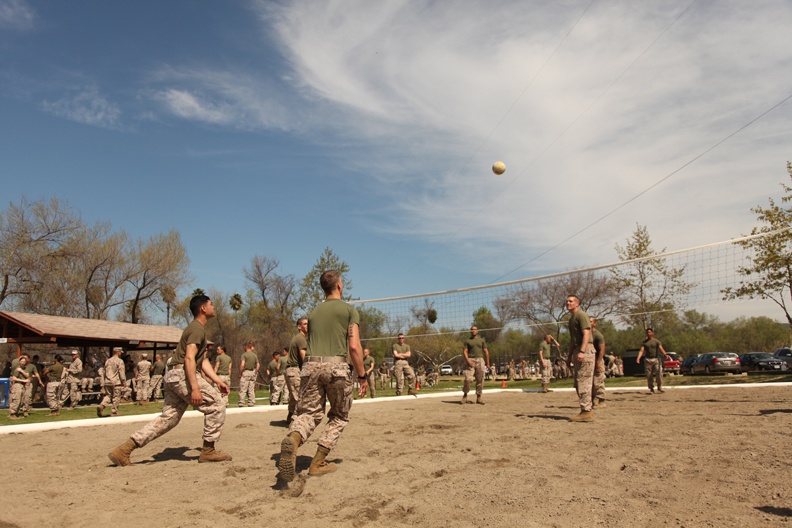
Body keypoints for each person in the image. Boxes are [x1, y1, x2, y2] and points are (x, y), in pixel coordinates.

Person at [108, 294, 231, 466]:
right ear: (203, 308)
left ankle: (124, 449)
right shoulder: (197, 329)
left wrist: (218, 381)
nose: (214, 307)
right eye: (211, 304)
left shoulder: (196, 329)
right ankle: (208, 450)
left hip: (174, 374)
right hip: (182, 374)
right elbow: (189, 359)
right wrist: (195, 388)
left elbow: (201, 361)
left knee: (169, 418)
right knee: (217, 404)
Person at [277, 270, 368, 482]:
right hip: (336, 367)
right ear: (339, 285)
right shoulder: (348, 310)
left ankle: (293, 438)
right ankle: (317, 462)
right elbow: (354, 347)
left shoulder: (313, 313)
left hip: (309, 367)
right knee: (339, 416)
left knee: (308, 413)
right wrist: (362, 376)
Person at [566, 295, 595, 422]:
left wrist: (583, 351)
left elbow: (587, 333)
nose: (568, 303)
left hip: (586, 349)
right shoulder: (571, 319)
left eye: (571, 301)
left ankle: (586, 411)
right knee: (578, 382)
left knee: (583, 381)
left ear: (577, 303)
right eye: (567, 301)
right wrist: (569, 357)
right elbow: (573, 341)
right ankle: (586, 408)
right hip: (577, 350)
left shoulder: (581, 315)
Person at [285, 318, 308, 423]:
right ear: (299, 327)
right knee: (300, 397)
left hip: (291, 371)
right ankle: (295, 421)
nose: (307, 326)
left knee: (293, 397)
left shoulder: (299, 338)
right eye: (305, 324)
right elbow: (304, 357)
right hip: (294, 370)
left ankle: (290, 417)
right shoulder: (301, 338)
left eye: (308, 324)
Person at [461, 325, 490, 405]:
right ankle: (465, 395)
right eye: (472, 329)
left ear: (477, 331)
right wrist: (468, 361)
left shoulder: (481, 340)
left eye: (475, 329)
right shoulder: (467, 341)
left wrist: (488, 363)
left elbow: (486, 352)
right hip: (470, 360)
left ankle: (479, 397)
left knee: (480, 379)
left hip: (480, 360)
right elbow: (465, 352)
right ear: (470, 331)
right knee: (468, 379)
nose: (473, 331)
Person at [636, 328, 669, 394]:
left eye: (649, 332)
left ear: (652, 333)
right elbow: (641, 351)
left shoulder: (656, 341)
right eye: (647, 332)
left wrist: (665, 354)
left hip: (656, 359)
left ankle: (659, 387)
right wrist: (638, 358)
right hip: (648, 360)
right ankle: (651, 388)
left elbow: (661, 348)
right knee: (649, 375)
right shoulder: (644, 342)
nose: (648, 334)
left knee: (659, 373)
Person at [98, 347, 126, 417]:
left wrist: (103, 382)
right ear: (118, 352)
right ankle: (114, 411)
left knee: (108, 395)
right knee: (116, 397)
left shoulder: (108, 361)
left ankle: (102, 405)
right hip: (116, 381)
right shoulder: (120, 361)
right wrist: (124, 381)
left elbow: (104, 372)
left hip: (107, 381)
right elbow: (121, 372)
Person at [590, 317, 607, 408]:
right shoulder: (586, 334)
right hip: (589, 359)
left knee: (598, 381)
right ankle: (593, 400)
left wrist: (599, 361)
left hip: (597, 359)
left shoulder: (598, 335)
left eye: (591, 321)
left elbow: (602, 349)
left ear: (594, 323)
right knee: (590, 382)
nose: (589, 323)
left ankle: (601, 400)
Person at [8, 355, 31, 420]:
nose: (23, 362)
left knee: (21, 400)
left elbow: (27, 375)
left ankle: (16, 413)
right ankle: (12, 414)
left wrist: (22, 371)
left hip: (23, 386)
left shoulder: (25, 368)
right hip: (17, 385)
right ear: (19, 362)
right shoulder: (17, 369)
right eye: (21, 361)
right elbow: (14, 378)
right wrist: (23, 380)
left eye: (24, 361)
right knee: (16, 399)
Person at [238, 341, 259, 407]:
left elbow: (242, 364)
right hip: (252, 372)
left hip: (246, 372)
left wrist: (240, 373)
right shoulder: (254, 355)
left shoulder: (244, 355)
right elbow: (258, 365)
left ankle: (241, 402)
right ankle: (251, 402)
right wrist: (255, 372)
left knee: (243, 388)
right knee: (251, 389)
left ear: (246, 347)